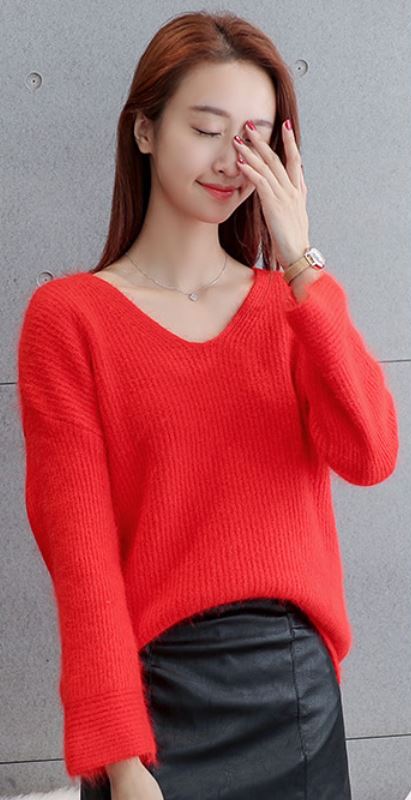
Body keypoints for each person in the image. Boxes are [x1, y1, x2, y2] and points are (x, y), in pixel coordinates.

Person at [16, 10, 399, 800]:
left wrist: (299, 261)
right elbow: (81, 559)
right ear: (145, 130)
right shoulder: (69, 319)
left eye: (254, 138)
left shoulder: (292, 307)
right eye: (206, 128)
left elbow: (370, 453)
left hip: (294, 692)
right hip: (157, 702)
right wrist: (123, 762)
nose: (231, 160)